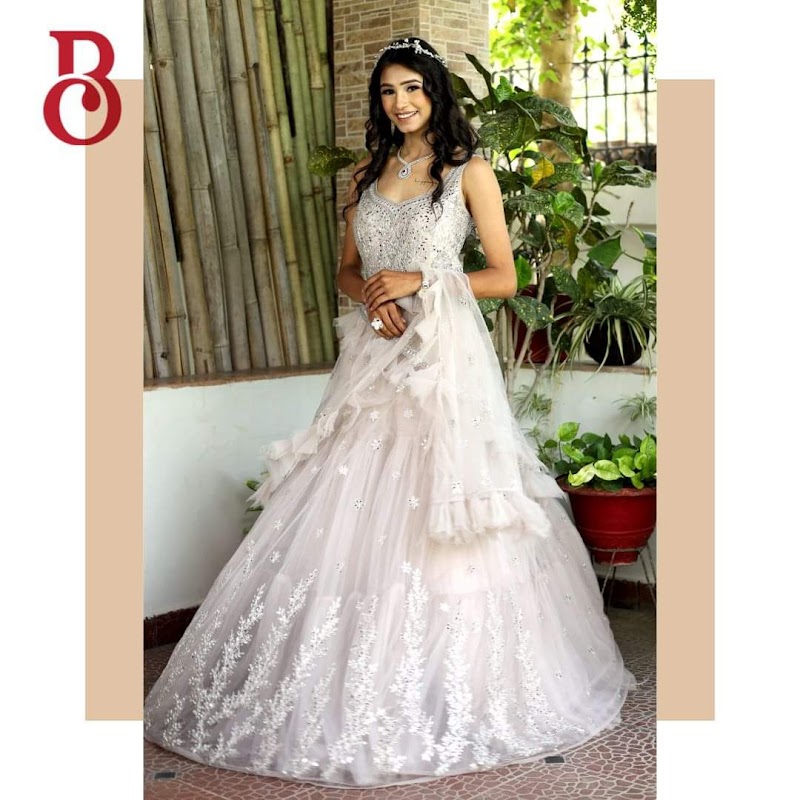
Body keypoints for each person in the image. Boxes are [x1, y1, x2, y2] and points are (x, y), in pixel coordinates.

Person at [143, 35, 636, 789]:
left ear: (435, 92)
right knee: (349, 505)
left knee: (447, 509)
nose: (400, 102)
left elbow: (504, 276)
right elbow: (347, 270)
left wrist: (419, 279)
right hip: (375, 360)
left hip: (443, 368)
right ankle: (348, 677)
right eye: (387, 91)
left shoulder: (469, 173)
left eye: (412, 87)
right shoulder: (369, 175)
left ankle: (453, 683)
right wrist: (372, 298)